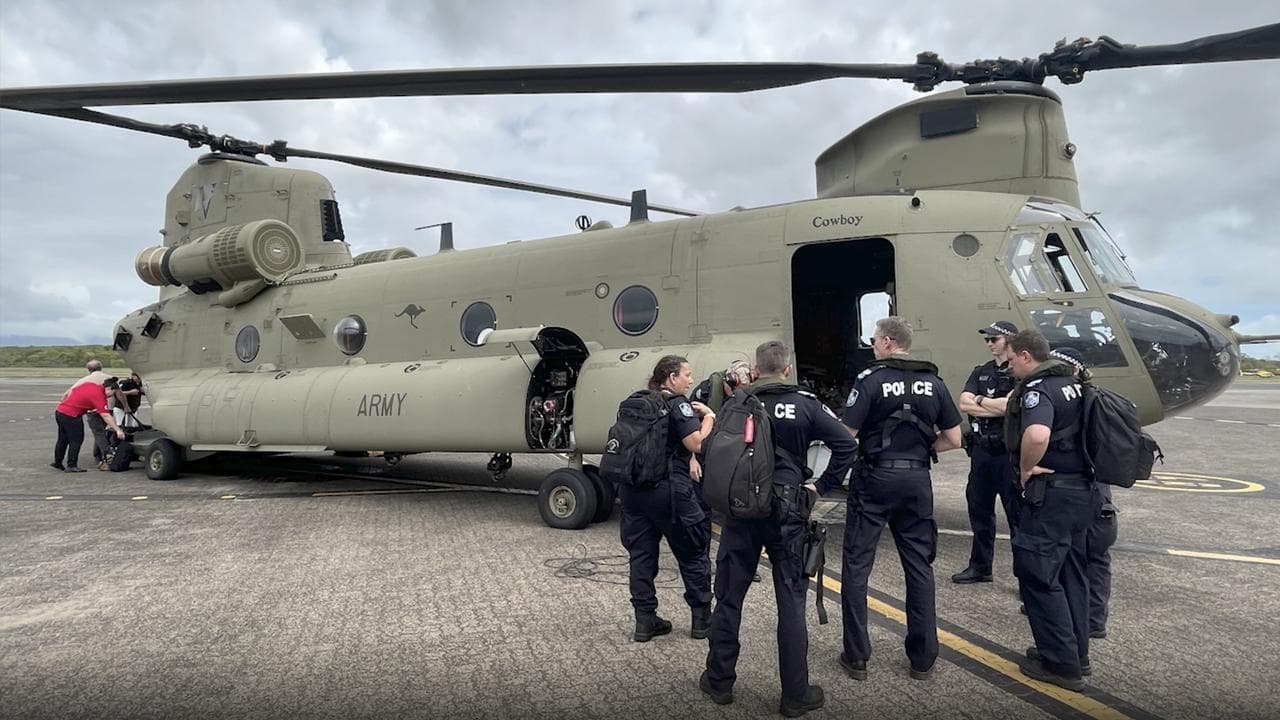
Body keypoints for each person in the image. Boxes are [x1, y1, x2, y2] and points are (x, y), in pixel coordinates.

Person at [701, 341, 856, 717]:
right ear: (786, 369)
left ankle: (719, 681)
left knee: (729, 596)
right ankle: (795, 694)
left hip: (741, 509)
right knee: (790, 601)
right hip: (788, 508)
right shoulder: (805, 403)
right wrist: (819, 487)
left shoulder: (737, 402)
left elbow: (711, 450)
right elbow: (846, 445)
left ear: (756, 370)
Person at [838, 317, 963, 682]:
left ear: (889, 343)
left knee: (858, 565)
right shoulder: (934, 382)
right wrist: (923, 450)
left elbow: (847, 434)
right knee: (919, 567)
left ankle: (857, 656)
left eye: (875, 340)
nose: (872, 345)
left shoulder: (870, 380)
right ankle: (923, 658)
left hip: (874, 477)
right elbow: (954, 439)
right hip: (916, 479)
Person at [1004, 330, 1102, 691]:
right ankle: (1078, 654)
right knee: (1073, 574)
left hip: (1053, 496)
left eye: (1012, 359)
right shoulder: (1078, 385)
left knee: (1040, 575)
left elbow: (1038, 435)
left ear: (1026, 356)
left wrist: (1026, 468)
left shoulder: (1038, 389)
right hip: (1084, 493)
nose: (1009, 365)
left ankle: (1061, 665)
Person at [620, 355, 715, 643]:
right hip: (669, 492)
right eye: (686, 374)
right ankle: (702, 621)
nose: (690, 378)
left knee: (641, 555)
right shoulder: (678, 403)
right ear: (671, 378)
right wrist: (709, 418)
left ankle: (645, 622)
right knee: (693, 551)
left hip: (633, 491)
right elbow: (695, 442)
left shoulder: (637, 403)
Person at [1050, 347, 1117, 641]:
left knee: (1085, 554)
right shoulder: (1098, 399)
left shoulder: (1075, 401)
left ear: (1074, 370)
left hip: (1082, 486)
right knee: (1087, 556)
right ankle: (1085, 614)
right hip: (1097, 487)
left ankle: (1090, 619)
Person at [952, 320, 1021, 584]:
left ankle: (1026, 579)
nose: (990, 344)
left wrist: (980, 401)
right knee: (979, 512)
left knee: (1017, 519)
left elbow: (1010, 407)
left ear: (1010, 341)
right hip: (982, 453)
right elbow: (964, 403)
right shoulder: (981, 371)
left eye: (995, 339)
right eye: (987, 340)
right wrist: (987, 404)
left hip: (1007, 454)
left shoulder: (1019, 374)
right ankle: (980, 566)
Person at [53, 371, 126, 472]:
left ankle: (58, 462)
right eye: (112, 394)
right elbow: (106, 416)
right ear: (109, 389)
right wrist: (118, 430)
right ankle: (71, 465)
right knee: (76, 440)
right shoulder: (99, 397)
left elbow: (71, 391)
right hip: (72, 415)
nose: (111, 397)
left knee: (63, 439)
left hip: (60, 411)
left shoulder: (90, 385)